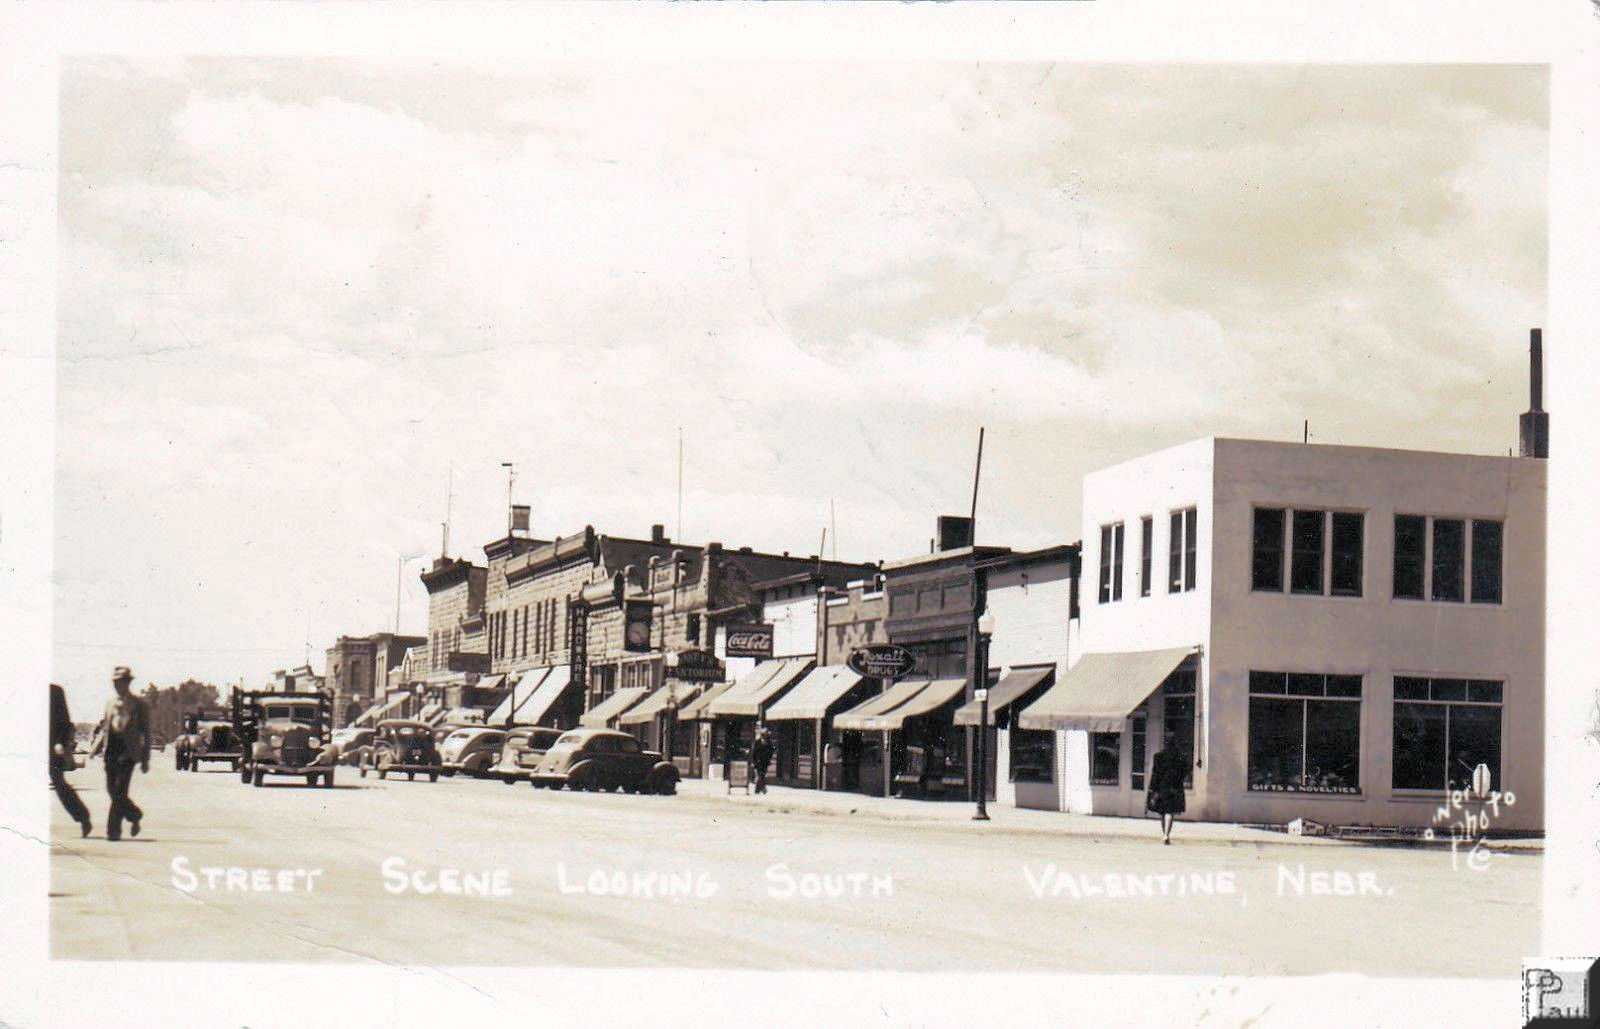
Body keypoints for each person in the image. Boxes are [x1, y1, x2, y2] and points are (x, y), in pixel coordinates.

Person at [97, 666, 150, 842]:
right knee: (111, 790)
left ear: (128, 683)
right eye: (115, 682)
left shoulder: (139, 705)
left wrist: (145, 759)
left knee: (120, 790)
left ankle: (113, 832)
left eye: (121, 682)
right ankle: (135, 815)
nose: (117, 685)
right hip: (111, 751)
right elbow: (105, 728)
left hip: (129, 752)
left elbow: (146, 732)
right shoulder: (110, 703)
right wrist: (96, 748)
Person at [49, 683, 91, 837]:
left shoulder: (55, 691)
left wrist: (59, 742)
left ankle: (83, 818)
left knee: (59, 783)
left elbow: (66, 723)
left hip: (52, 746)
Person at [1145, 730, 1188, 845]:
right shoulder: (1181, 757)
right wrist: (1179, 779)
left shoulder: (1159, 757)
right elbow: (1185, 771)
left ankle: (1165, 834)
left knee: (1163, 812)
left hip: (1162, 786)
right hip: (1175, 786)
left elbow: (1155, 774)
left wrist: (1152, 788)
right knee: (1170, 811)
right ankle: (1166, 834)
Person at [749, 725, 774, 795]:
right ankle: (763, 788)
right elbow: (754, 752)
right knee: (760, 775)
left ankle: (758, 790)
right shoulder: (757, 742)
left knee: (762, 775)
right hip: (758, 762)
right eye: (764, 734)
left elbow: (772, 750)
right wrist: (753, 761)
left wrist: (769, 757)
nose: (765, 736)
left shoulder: (769, 742)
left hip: (765, 762)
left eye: (766, 734)